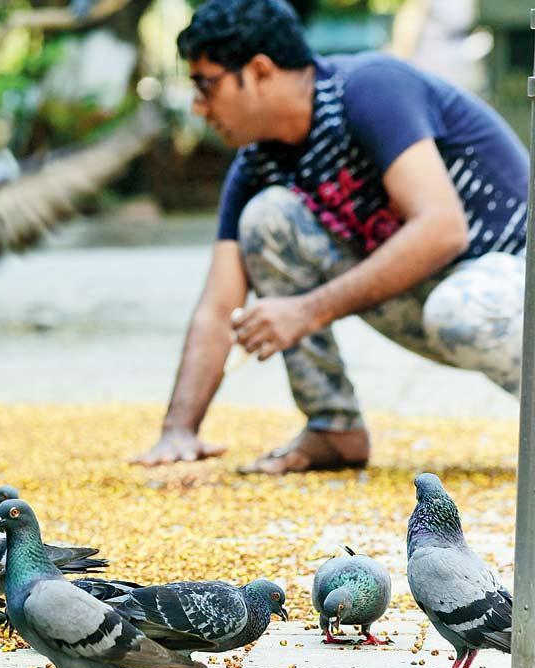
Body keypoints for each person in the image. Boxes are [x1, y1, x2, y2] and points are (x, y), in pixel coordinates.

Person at [134, 0, 528, 474]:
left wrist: (307, 310)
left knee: (458, 310)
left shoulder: (369, 89)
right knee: (266, 219)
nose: (198, 106)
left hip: (510, 278)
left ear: (259, 71)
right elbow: (219, 308)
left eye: (206, 84)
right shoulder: (259, 163)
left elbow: (442, 229)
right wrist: (178, 429)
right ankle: (332, 427)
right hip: (439, 294)